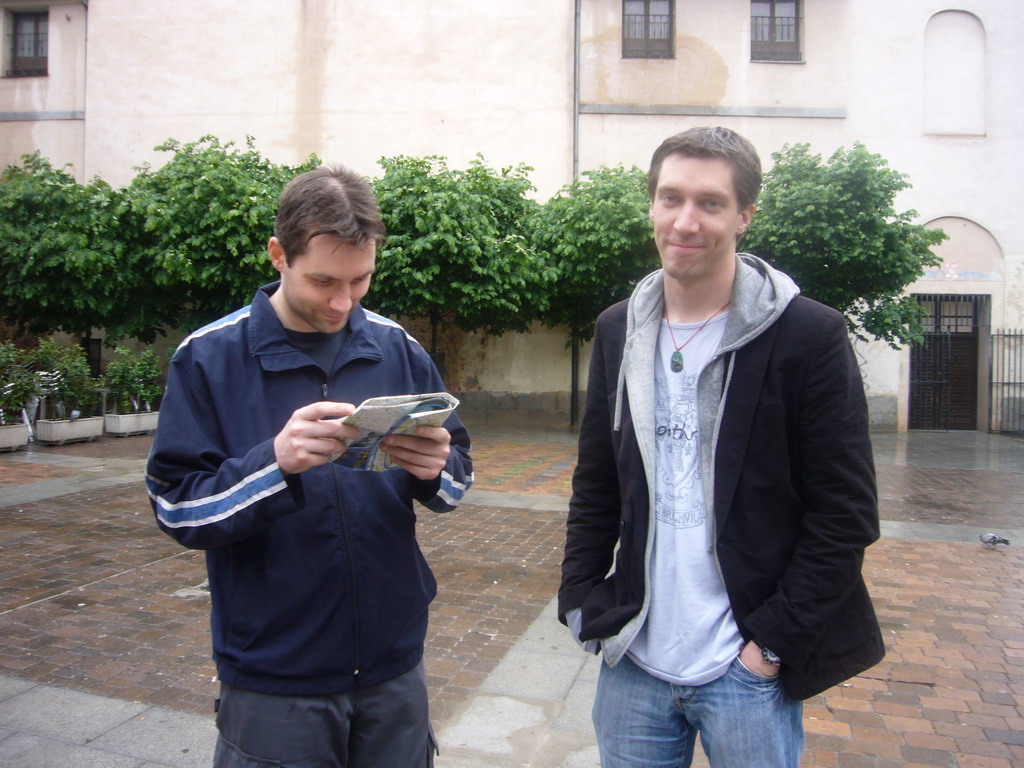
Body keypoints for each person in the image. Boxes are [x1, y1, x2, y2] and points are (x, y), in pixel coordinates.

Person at [558, 126, 884, 767]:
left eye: (710, 202)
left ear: (744, 216)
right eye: (671, 197)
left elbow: (845, 513)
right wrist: (578, 599)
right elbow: (597, 479)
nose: (686, 221)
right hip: (635, 660)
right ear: (650, 203)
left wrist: (770, 647)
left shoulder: (807, 335)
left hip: (745, 668)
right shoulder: (619, 328)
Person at [146, 164, 473, 767]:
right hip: (275, 673)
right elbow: (175, 505)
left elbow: (458, 479)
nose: (343, 302)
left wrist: (437, 469)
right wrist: (272, 464)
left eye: (361, 279)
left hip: (393, 662)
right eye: (324, 281)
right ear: (278, 254)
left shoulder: (397, 347)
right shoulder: (209, 357)